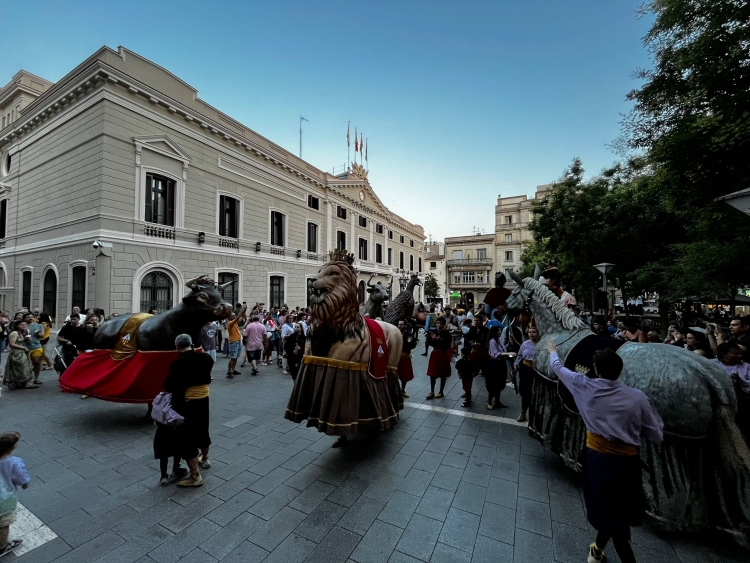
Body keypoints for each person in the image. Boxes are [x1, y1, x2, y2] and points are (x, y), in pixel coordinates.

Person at [546, 340, 664, 563]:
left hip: (597, 459)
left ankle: (602, 551)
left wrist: (552, 351)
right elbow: (657, 434)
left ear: (596, 369)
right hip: (628, 463)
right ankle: (597, 548)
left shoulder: (583, 385)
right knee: (615, 510)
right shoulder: (638, 397)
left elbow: (558, 368)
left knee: (610, 514)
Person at [163, 334, 214, 486]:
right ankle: (204, 458)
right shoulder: (206, 358)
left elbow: (170, 385)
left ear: (177, 347)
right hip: (204, 398)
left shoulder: (177, 364)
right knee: (203, 428)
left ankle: (195, 476)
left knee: (187, 439)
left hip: (188, 402)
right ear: (191, 344)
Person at [0, 432, 31, 558]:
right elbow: (23, 480)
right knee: (3, 523)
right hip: (4, 499)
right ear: (12, 447)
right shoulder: (14, 462)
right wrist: (24, 485)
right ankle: (2, 546)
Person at [713, 342, 750, 444]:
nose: (739, 356)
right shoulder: (712, 365)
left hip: (743, 403)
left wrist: (740, 380)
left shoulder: (746, 366)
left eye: (740, 353)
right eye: (735, 353)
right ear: (723, 354)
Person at [2, 321, 37, 390]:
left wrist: (25, 340)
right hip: (16, 352)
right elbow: (12, 344)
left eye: (25, 324)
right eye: (21, 324)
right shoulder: (14, 333)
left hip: (22, 352)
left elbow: (19, 341)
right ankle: (23, 383)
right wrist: (23, 347)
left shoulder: (21, 333)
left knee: (24, 367)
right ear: (17, 325)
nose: (24, 326)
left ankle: (21, 382)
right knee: (22, 367)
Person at [515, 326, 539, 422]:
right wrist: (515, 366)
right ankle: (523, 412)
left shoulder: (542, 345)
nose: (531, 334)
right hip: (525, 370)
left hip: (537, 371)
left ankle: (535, 415)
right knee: (525, 392)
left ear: (538, 333)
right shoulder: (525, 344)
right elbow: (519, 356)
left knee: (536, 393)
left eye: (533, 332)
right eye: (530, 332)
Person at [426, 317, 452, 399]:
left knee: (443, 373)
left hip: (442, 353)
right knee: (432, 373)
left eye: (441, 323)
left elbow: (448, 345)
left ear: (444, 325)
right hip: (434, 353)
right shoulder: (434, 332)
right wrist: (433, 339)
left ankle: (441, 391)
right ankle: (432, 391)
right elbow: (429, 342)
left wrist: (439, 339)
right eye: (438, 323)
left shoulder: (447, 334)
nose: (439, 325)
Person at [485, 325, 508, 410]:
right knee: (493, 383)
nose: (500, 332)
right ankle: (489, 401)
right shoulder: (492, 341)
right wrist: (508, 354)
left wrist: (508, 345)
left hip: (501, 364)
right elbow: (496, 354)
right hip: (494, 364)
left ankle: (497, 401)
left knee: (500, 383)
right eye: (498, 330)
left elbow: (502, 349)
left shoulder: (498, 340)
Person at [225, 303, 246, 378]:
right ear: (229, 318)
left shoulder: (235, 323)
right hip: (233, 342)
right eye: (232, 316)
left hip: (237, 341)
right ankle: (229, 371)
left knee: (236, 357)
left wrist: (244, 310)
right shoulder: (230, 323)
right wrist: (242, 309)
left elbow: (241, 317)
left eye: (234, 316)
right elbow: (237, 318)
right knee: (232, 358)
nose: (234, 317)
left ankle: (233, 370)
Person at [23, 313, 45, 385]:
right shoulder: (22, 326)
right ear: (25, 318)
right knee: (25, 364)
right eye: (28, 317)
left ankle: (36, 378)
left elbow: (42, 336)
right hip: (25, 347)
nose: (30, 318)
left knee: (37, 362)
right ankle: (27, 378)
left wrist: (38, 333)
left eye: (31, 317)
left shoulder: (39, 326)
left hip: (36, 346)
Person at [397, 319, 416, 397]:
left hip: (405, 357)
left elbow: (413, 345)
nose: (400, 326)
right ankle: (396, 389)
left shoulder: (409, 334)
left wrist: (409, 342)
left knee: (404, 375)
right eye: (399, 324)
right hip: (396, 357)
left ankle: (403, 389)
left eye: (401, 324)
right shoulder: (395, 333)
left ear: (405, 325)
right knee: (394, 374)